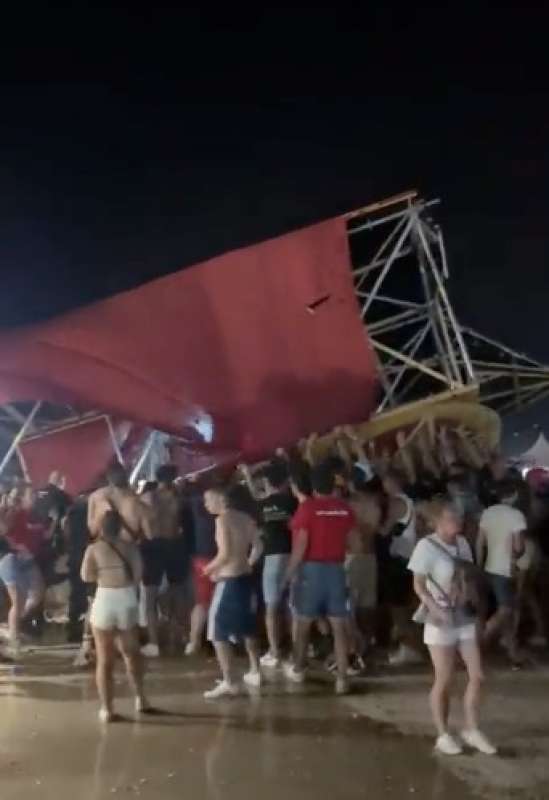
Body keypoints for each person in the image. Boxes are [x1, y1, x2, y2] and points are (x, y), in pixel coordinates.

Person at [408, 499, 496, 756]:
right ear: (437, 522)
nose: (456, 521)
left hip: (464, 615)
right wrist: (433, 607)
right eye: (450, 518)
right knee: (444, 679)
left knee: (477, 675)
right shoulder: (426, 547)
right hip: (441, 619)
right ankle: (443, 734)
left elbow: (469, 578)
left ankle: (472, 728)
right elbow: (418, 584)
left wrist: (477, 608)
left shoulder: (462, 544)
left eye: (457, 517)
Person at [283, 463, 357, 695]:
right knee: (339, 627)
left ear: (313, 486)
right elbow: (355, 543)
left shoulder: (308, 509)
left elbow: (301, 545)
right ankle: (342, 679)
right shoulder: (345, 509)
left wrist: (288, 574)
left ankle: (298, 668)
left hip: (311, 572)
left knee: (303, 624)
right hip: (336, 569)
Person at [81, 508, 150, 722]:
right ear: (120, 527)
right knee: (131, 653)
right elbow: (139, 575)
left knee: (104, 659)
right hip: (127, 600)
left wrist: (103, 572)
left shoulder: (93, 549)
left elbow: (86, 576)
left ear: (101, 528)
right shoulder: (130, 548)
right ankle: (140, 698)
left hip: (104, 600)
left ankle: (107, 709)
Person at [202, 486, 264, 699]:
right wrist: (247, 563)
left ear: (221, 498)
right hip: (246, 577)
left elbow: (225, 554)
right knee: (248, 626)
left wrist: (208, 569)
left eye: (208, 500)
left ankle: (230, 681)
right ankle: (255, 670)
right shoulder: (245, 517)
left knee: (217, 631)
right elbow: (258, 545)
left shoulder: (222, 520)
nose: (206, 505)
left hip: (229, 580)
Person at [139, 465, 188, 657]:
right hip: (173, 544)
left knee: (150, 597)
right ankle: (177, 637)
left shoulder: (147, 498)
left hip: (152, 546)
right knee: (177, 593)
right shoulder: (178, 498)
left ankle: (154, 643)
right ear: (173, 477)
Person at [477, 482, 527, 665]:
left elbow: (479, 541)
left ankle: (513, 652)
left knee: (497, 609)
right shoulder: (516, 516)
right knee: (506, 609)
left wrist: (480, 563)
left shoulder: (488, 513)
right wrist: (518, 556)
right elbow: (518, 547)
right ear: (513, 495)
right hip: (505, 568)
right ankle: (480, 641)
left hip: (488, 566)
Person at [379, 469, 422, 665]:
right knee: (404, 604)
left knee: (398, 607)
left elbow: (385, 530)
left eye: (386, 482)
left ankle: (409, 649)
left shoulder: (396, 502)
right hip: (409, 557)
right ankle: (409, 645)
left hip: (399, 559)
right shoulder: (410, 502)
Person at [258, 461, 297, 668]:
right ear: (286, 482)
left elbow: (259, 532)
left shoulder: (261, 504)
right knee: (292, 605)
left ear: (267, 481)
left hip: (272, 557)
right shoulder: (293, 502)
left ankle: (274, 652)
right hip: (293, 555)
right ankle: (295, 649)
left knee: (271, 607)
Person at [184, 482, 218, 655]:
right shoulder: (223, 514)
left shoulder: (197, 508)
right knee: (217, 602)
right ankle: (216, 640)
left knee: (202, 603)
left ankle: (194, 641)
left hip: (201, 559)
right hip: (217, 560)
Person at [0, 536, 44, 657]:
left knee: (26, 601)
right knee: (17, 603)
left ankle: (11, 631)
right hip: (9, 561)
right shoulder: (8, 559)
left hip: (18, 562)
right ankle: (13, 640)